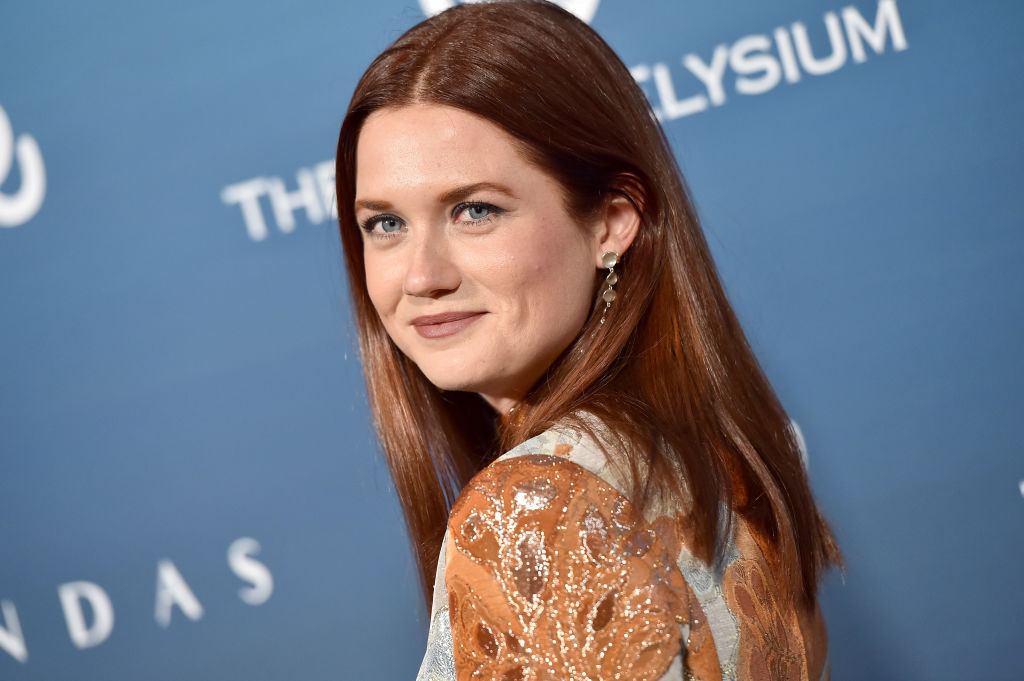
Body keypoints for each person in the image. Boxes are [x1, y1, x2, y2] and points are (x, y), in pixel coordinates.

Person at [334, 1, 842, 679]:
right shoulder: (734, 453)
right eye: (385, 223)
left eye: (475, 210)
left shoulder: (533, 510)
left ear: (611, 222)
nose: (422, 275)